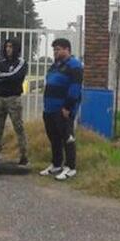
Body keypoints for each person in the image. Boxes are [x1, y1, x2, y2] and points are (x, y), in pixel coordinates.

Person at [40, 38, 84, 181]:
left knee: (67, 137)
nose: (55, 52)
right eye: (54, 49)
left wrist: (67, 107)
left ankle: (70, 167)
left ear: (67, 49)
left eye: (58, 49)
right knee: (54, 137)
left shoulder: (75, 65)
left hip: (63, 109)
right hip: (50, 108)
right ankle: (56, 164)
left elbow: (75, 89)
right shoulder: (55, 65)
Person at [0, 38, 29, 165]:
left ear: (16, 48)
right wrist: (5, 76)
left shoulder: (21, 62)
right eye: (6, 46)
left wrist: (3, 76)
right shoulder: (1, 63)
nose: (8, 49)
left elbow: (16, 76)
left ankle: (23, 154)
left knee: (18, 127)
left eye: (11, 46)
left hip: (13, 98)